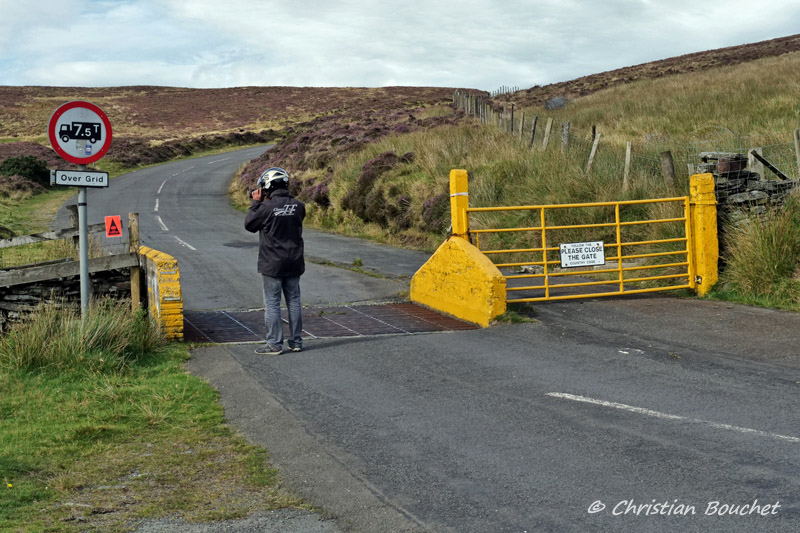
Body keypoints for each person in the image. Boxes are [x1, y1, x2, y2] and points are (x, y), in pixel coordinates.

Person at [244, 167, 306, 355]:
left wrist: (255, 203)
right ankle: (296, 342)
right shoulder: (299, 206)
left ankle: (274, 344)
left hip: (272, 262)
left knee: (272, 303)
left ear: (268, 186)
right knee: (294, 301)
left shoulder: (265, 208)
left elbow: (249, 225)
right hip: (294, 260)